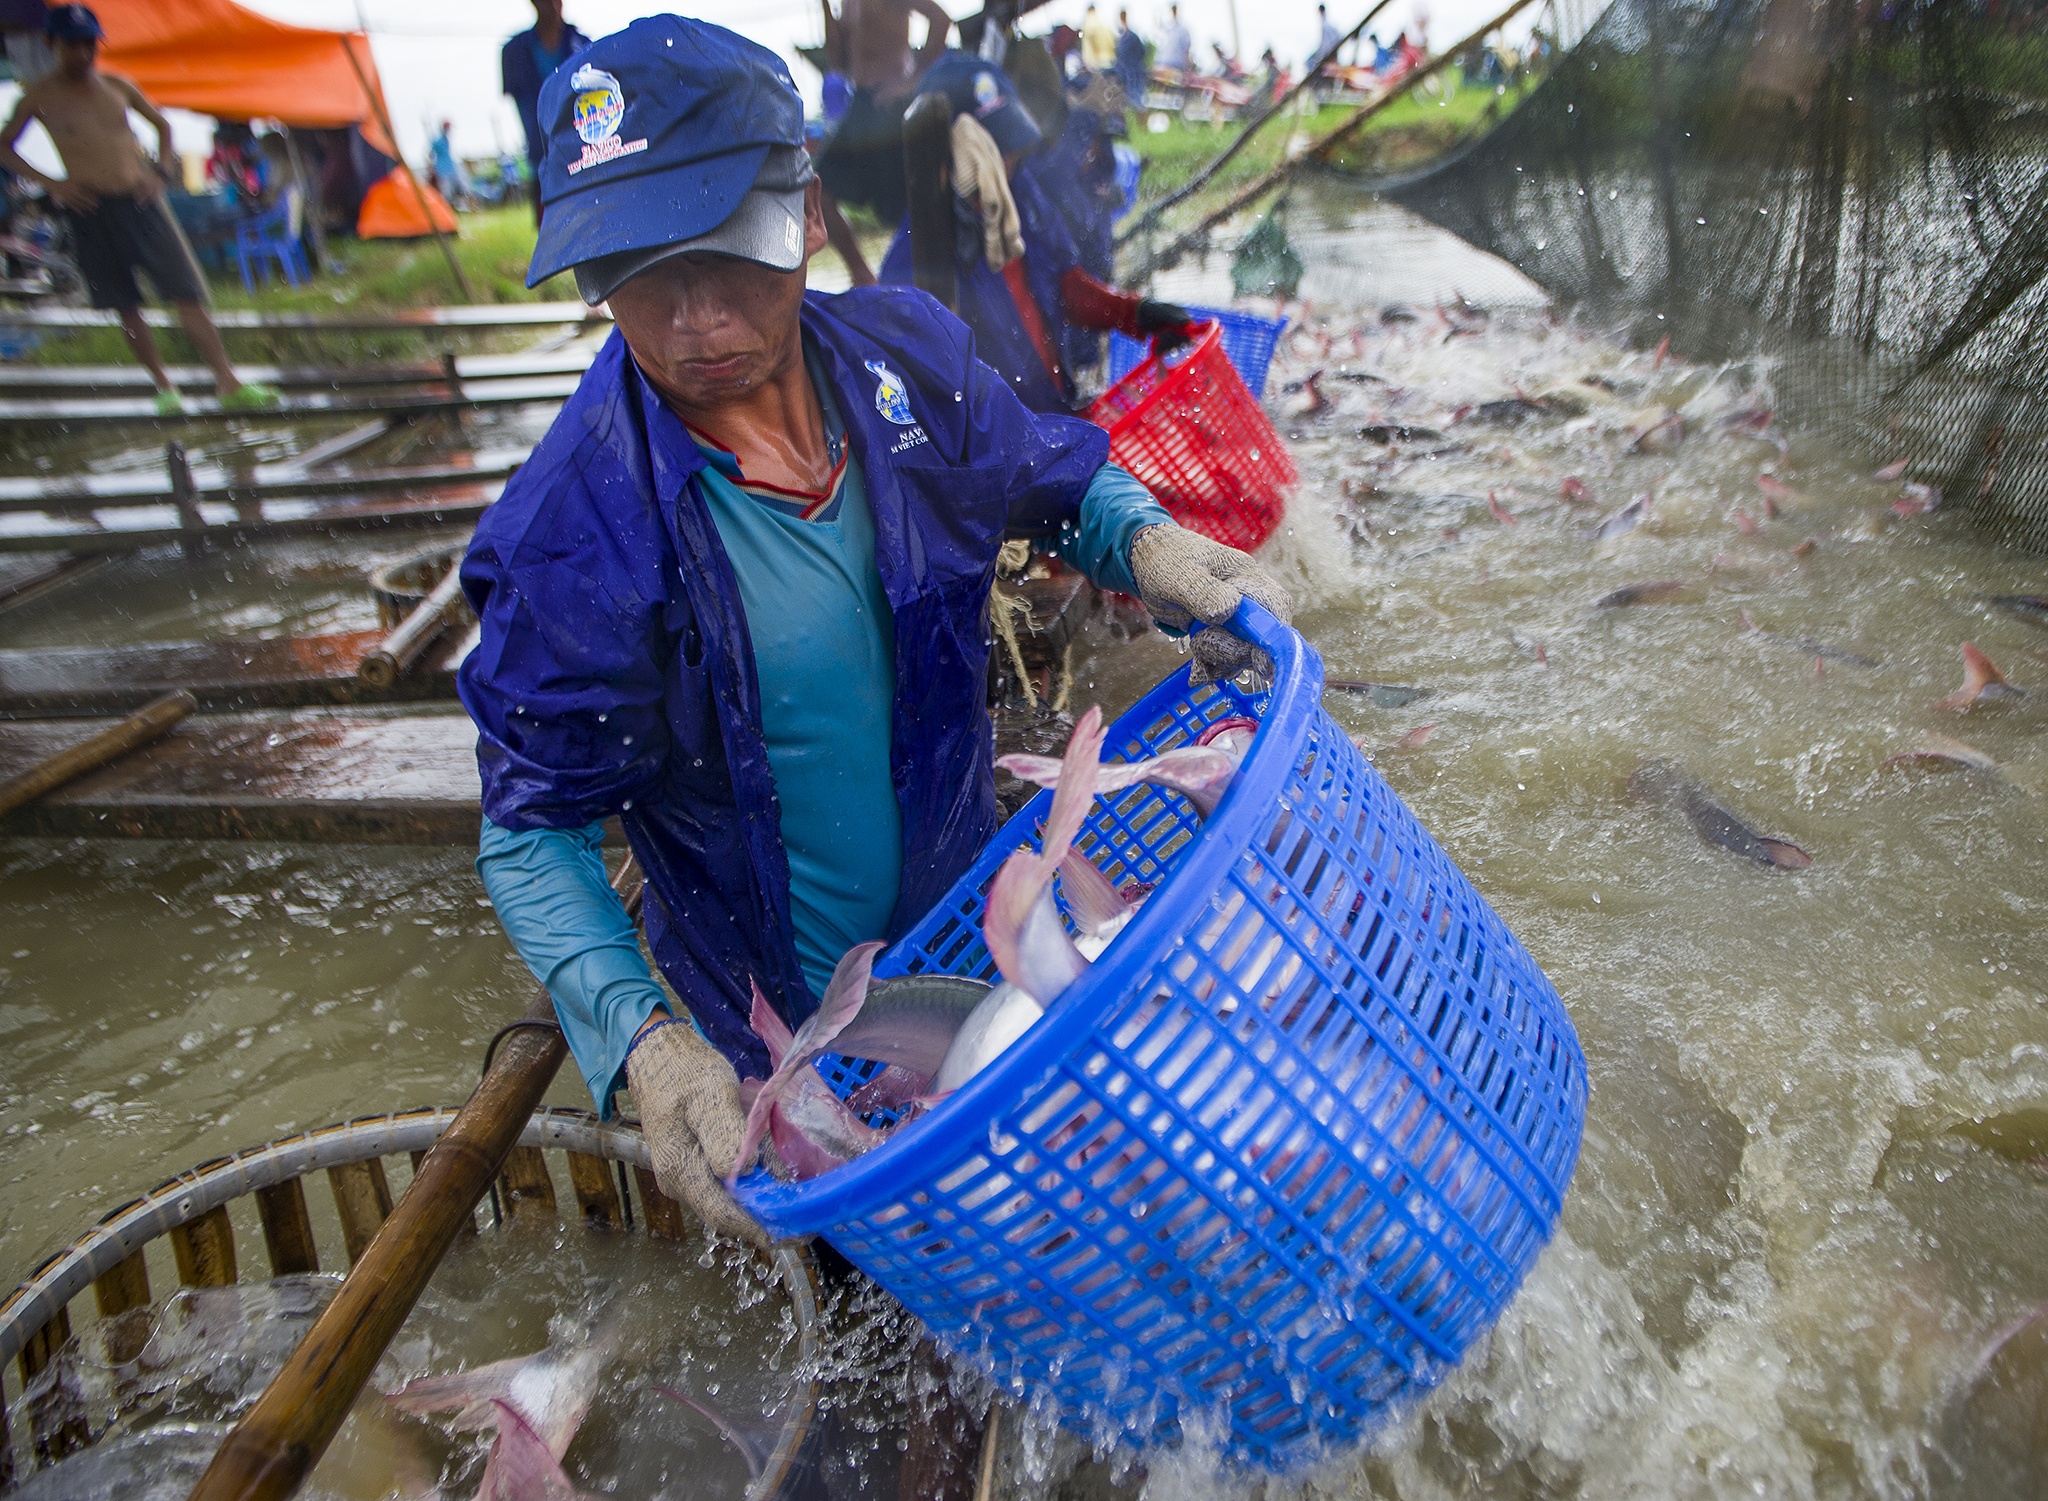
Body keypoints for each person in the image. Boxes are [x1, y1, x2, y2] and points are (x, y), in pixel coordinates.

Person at [459, 17, 1292, 1253]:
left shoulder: (910, 358)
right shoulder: (571, 538)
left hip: (970, 929)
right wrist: (646, 1042)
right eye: (636, 269)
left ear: (798, 213)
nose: (691, 319)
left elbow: (1052, 478)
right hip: (772, 1029)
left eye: (722, 252)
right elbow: (531, 832)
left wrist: (1153, 545)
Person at [0, 6, 277, 416]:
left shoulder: (118, 86)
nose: (82, 53)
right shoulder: (39, 97)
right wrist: (54, 183)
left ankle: (227, 379)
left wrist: (161, 171)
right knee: (123, 302)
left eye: (88, 44)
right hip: (90, 207)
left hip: (142, 200)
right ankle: (165, 388)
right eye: (72, 45)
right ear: (51, 44)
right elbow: (5, 146)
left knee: (187, 291)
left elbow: (163, 127)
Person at [813, 0, 953, 279]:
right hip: (862, 105)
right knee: (818, 190)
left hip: (893, 103)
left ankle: (927, 278)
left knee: (910, 203)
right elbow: (838, 62)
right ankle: (863, 276)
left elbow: (941, 19)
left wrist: (911, 80)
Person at [501, 0, 589, 225]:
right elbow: (520, 105)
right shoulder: (514, 52)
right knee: (551, 229)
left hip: (583, 155)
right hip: (541, 157)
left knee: (587, 221)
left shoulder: (585, 46)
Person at [428, 119, 473, 210]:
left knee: (464, 187)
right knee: (446, 193)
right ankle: (446, 211)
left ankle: (469, 206)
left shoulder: (447, 139)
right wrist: (431, 168)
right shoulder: (437, 140)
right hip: (442, 170)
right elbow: (430, 155)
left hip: (452, 168)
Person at [1113, 10, 1148, 106]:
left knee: (1135, 100)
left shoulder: (1130, 37)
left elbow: (1141, 53)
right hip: (1129, 73)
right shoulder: (1124, 37)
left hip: (1132, 73)